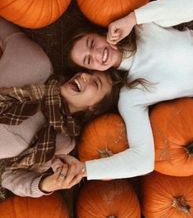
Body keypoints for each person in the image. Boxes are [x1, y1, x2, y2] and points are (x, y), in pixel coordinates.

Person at [65, 0, 193, 181]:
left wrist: (134, 18)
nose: (96, 54)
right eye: (89, 60)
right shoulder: (130, 96)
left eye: (92, 43)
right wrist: (85, 170)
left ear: (99, 34)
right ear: (93, 70)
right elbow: (142, 161)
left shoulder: (143, 26)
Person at [0, 17, 121, 197]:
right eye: (87, 70)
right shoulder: (36, 64)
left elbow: (10, 177)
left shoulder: (60, 142)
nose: (83, 77)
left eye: (95, 83)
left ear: (93, 108)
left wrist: (46, 184)